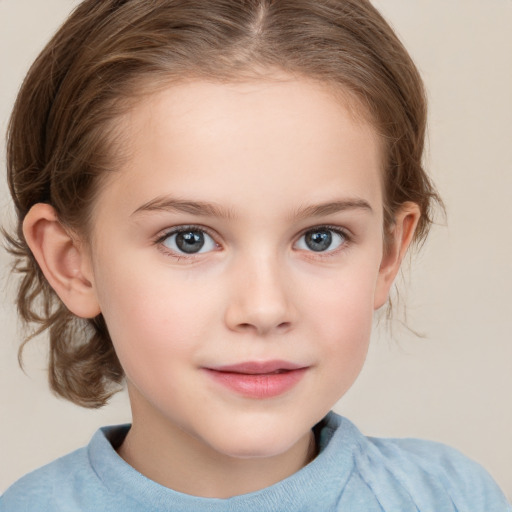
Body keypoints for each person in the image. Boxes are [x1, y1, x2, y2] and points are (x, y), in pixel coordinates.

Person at [1, 0, 510, 510]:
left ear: (387, 254)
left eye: (320, 237)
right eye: (189, 239)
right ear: (72, 262)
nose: (265, 309)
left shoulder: (452, 498)